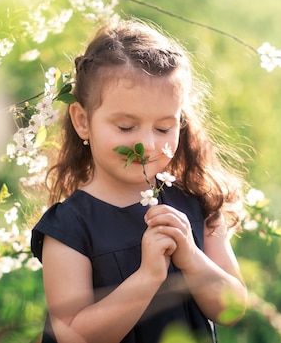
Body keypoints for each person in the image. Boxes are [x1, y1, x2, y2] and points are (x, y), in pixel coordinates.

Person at [31, 18, 248, 343]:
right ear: (82, 121)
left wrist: (191, 258)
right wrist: (147, 278)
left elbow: (232, 309)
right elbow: (72, 335)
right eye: (126, 127)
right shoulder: (70, 228)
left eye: (163, 128)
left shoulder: (197, 200)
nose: (146, 144)